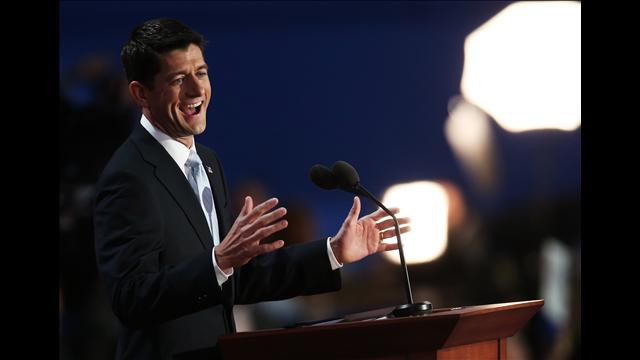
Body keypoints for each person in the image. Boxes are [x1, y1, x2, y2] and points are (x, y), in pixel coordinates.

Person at [93, 18, 410, 360]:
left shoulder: (208, 162)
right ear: (141, 93)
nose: (197, 90)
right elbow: (130, 297)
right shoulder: (129, 176)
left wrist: (333, 252)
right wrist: (218, 261)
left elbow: (237, 277)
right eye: (177, 79)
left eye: (200, 72)